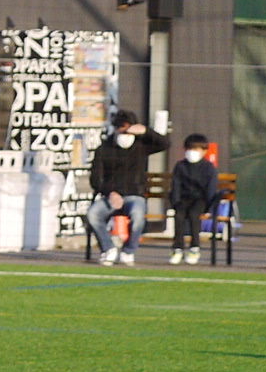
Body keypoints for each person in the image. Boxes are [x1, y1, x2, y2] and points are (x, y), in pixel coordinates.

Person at [85, 109, 165, 266]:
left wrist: (147, 131)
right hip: (111, 196)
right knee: (93, 214)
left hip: (135, 195)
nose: (125, 134)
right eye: (121, 129)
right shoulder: (105, 149)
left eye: (128, 130)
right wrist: (110, 192)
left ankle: (129, 250)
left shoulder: (141, 146)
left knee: (137, 215)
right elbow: (95, 178)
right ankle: (108, 248)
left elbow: (164, 144)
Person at [169, 134, 220, 264]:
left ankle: (194, 248)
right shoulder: (180, 166)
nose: (192, 152)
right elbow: (176, 186)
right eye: (189, 149)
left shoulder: (209, 168)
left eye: (196, 149)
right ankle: (177, 248)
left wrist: (209, 208)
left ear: (204, 151)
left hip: (200, 200)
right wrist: (175, 203)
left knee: (193, 215)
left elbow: (211, 189)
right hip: (183, 199)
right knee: (179, 216)